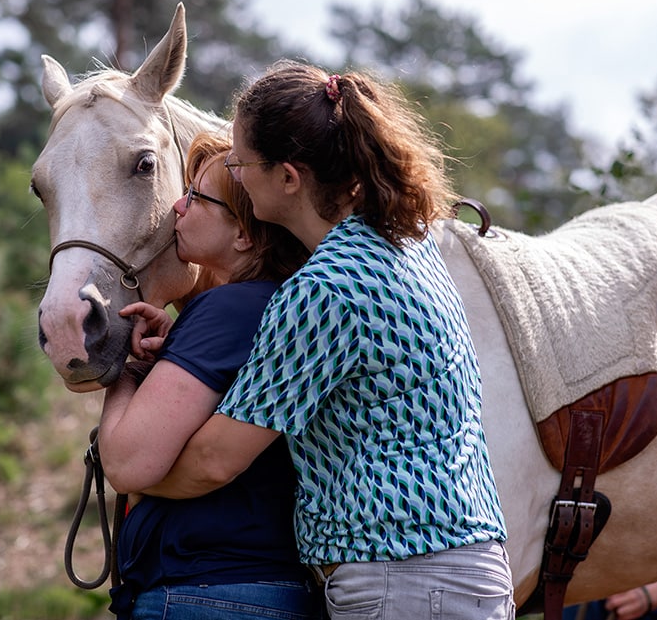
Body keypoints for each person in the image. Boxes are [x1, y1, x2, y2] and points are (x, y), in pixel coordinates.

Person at [145, 61, 514, 619]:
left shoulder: (325, 289)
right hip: (456, 568)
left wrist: (136, 474)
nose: (235, 176)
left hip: (402, 578)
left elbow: (216, 459)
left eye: (241, 164)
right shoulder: (405, 242)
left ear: (289, 178)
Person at [97, 131, 320, 620]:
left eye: (196, 197)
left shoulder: (230, 307)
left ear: (243, 233)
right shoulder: (274, 304)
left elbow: (127, 463)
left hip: (208, 592)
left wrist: (125, 368)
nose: (177, 207)